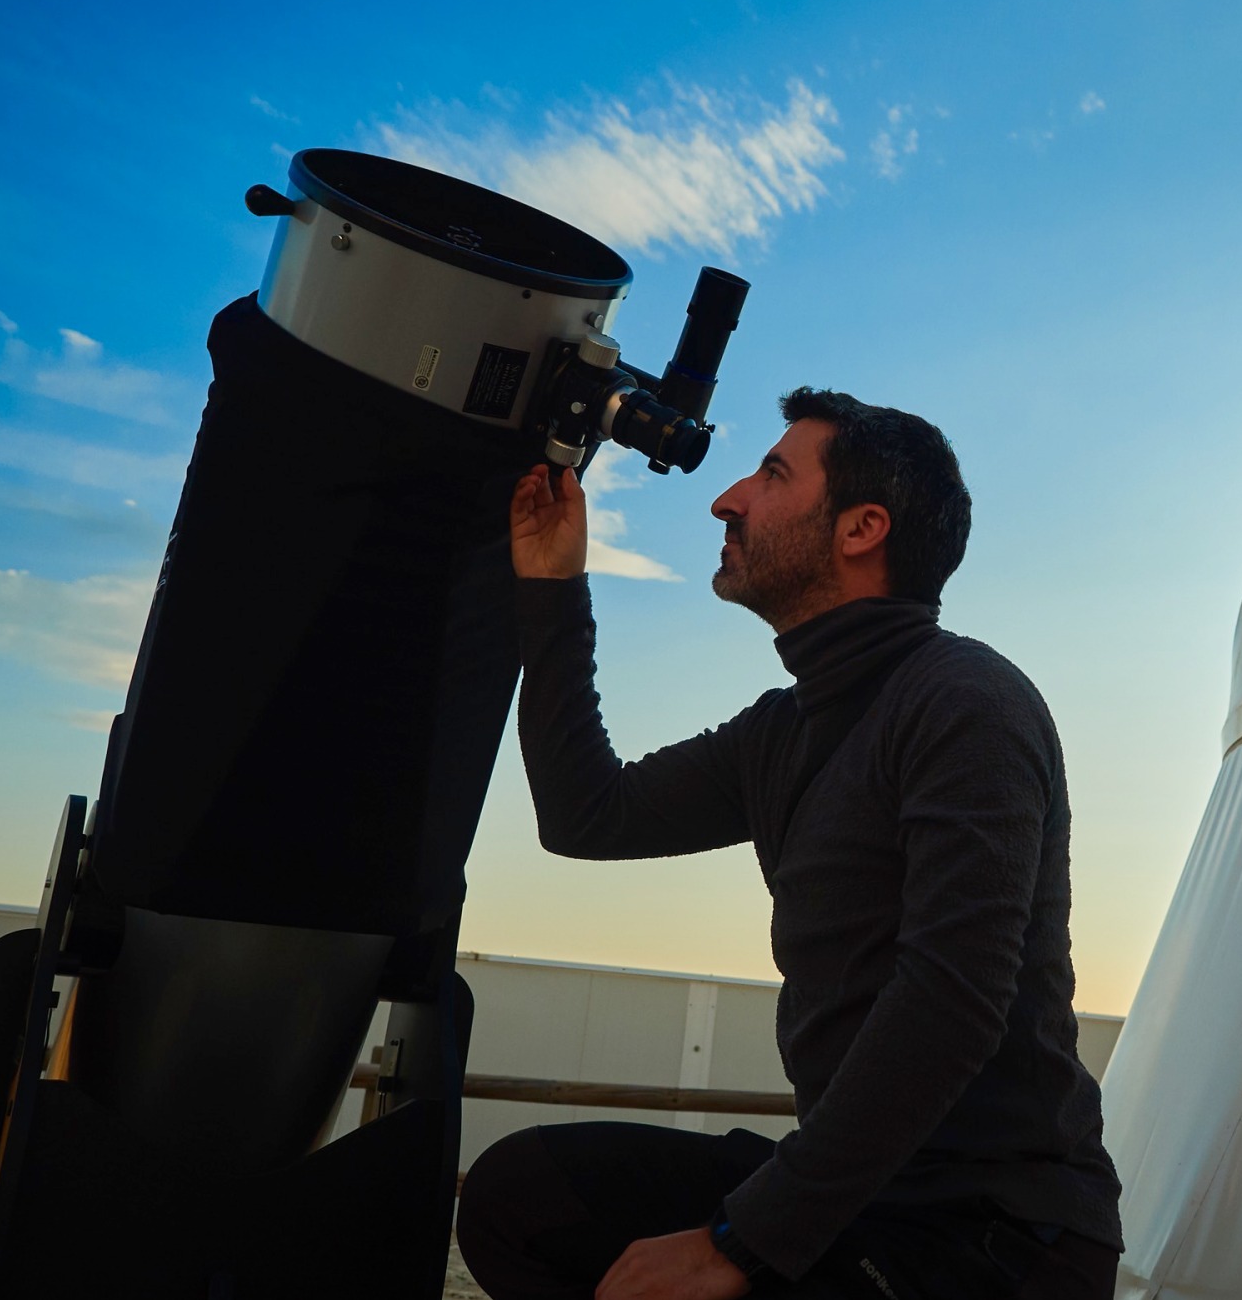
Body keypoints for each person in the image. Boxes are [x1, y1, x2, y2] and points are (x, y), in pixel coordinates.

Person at [456, 389, 1122, 1300]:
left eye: (772, 474)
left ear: (861, 529)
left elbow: (953, 999)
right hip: (860, 1196)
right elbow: (586, 814)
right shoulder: (782, 729)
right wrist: (553, 588)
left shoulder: (965, 700)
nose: (728, 498)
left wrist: (739, 1242)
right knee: (522, 1197)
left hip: (993, 1234)